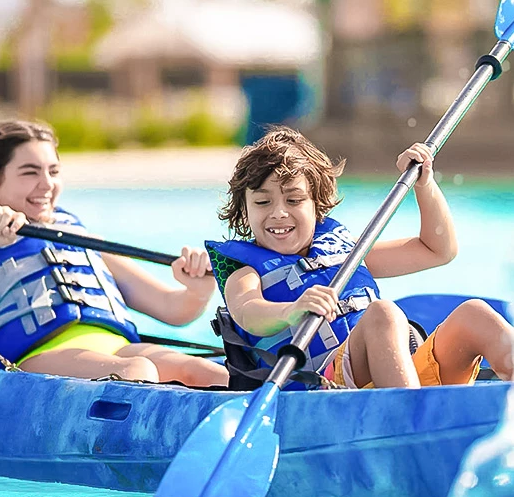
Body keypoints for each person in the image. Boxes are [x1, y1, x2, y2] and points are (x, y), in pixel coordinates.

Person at [0, 120, 228, 388]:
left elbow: (174, 309)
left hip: (118, 349)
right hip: (35, 359)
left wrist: (198, 289)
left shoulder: (77, 235)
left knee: (211, 374)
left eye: (53, 171)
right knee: (136, 371)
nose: (47, 184)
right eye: (30, 172)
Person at [206, 127, 514, 389]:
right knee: (383, 313)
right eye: (262, 201)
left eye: (294, 199)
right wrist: (293, 310)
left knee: (474, 315)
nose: (279, 213)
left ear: (318, 205)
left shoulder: (346, 252)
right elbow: (248, 313)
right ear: (244, 212)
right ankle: (410, 419)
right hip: (328, 388)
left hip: (399, 377)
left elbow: (438, 250)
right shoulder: (245, 273)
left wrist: (425, 186)